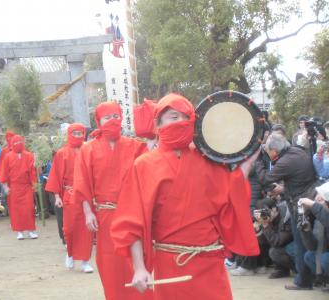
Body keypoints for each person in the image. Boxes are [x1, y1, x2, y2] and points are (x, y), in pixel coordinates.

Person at [110, 93, 260, 300]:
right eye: (173, 116)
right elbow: (131, 222)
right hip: (171, 262)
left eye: (186, 117)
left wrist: (247, 164)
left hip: (210, 261)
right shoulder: (144, 165)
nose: (181, 122)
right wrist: (139, 267)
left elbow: (231, 195)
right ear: (158, 122)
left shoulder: (209, 161)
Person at [73, 101, 150, 300]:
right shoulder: (88, 149)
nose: (113, 121)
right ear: (98, 121)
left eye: (116, 116)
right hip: (105, 215)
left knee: (137, 261)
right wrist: (88, 212)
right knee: (110, 264)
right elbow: (82, 183)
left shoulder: (136, 146)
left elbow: (149, 171)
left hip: (134, 214)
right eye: (108, 117)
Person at [255, 133, 316, 290]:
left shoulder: (285, 161)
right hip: (304, 199)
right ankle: (306, 278)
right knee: (302, 243)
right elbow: (299, 179)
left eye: (268, 150)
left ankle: (304, 281)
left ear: (274, 150)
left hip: (299, 205)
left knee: (301, 244)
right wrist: (283, 189)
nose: (267, 152)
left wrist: (257, 161)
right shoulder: (297, 152)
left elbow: (265, 179)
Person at [46, 123, 94, 273]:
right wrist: (56, 196)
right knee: (70, 228)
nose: (78, 136)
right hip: (69, 194)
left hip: (87, 194)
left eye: (81, 133)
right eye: (75, 133)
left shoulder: (89, 150)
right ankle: (70, 254)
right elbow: (55, 175)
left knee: (87, 230)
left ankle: (85, 261)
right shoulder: (61, 153)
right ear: (69, 134)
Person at [0, 135, 38, 240]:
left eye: (20, 142)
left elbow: (32, 171)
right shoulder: (8, 156)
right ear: (12, 144)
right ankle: (19, 231)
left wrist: (34, 184)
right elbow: (4, 173)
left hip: (26, 187)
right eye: (15, 142)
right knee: (16, 210)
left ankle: (31, 230)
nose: (18, 144)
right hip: (14, 187)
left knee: (29, 209)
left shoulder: (29, 155)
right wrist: (5, 186)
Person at [254, 198, 295, 278]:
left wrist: (265, 225)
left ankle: (298, 270)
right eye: (261, 212)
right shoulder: (267, 218)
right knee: (272, 249)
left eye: (265, 211)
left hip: (294, 245)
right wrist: (259, 229)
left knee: (274, 251)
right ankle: (282, 270)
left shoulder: (286, 217)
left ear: (274, 209)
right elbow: (263, 243)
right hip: (285, 245)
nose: (263, 214)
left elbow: (278, 241)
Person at [299, 182, 329, 293]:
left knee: (325, 258)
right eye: (318, 194)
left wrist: (314, 205)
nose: (320, 197)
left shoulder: (320, 213)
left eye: (323, 195)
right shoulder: (315, 217)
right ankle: (324, 279)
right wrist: (306, 231)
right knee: (309, 255)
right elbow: (312, 247)